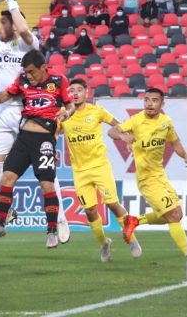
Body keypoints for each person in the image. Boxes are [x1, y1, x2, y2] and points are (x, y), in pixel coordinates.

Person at [0, 0, 71, 242]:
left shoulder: (29, 45)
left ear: (13, 25)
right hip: (5, 109)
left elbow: (24, 29)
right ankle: (7, 211)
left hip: (30, 111)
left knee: (45, 172)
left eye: (3, 23)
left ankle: (60, 219)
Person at [110, 87, 187, 269]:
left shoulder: (166, 122)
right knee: (173, 215)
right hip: (146, 179)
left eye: (154, 100)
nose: (149, 103)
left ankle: (134, 220)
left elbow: (175, 143)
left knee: (177, 214)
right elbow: (112, 131)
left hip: (160, 176)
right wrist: (123, 136)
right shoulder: (137, 120)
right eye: (147, 100)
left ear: (162, 104)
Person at [0, 50, 75, 248]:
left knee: (47, 185)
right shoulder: (23, 79)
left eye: (32, 72)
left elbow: (70, 105)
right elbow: (8, 93)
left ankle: (52, 232)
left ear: (43, 68)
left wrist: (67, 114)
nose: (29, 76)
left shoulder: (59, 80)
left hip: (44, 140)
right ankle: (0, 223)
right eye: (26, 72)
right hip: (24, 138)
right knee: (6, 177)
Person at [60, 79, 142, 260]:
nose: (75, 93)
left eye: (79, 90)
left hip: (100, 167)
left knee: (113, 204)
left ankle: (132, 238)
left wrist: (126, 136)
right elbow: (52, 133)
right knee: (90, 211)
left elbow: (117, 124)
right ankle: (104, 243)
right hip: (80, 171)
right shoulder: (64, 115)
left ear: (86, 93)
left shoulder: (96, 111)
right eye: (71, 90)